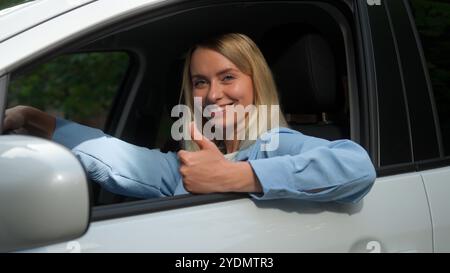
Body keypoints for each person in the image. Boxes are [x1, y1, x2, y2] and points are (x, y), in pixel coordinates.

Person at [2, 33, 376, 203]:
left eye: (228, 77)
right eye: (200, 82)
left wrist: (235, 177)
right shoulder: (189, 163)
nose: (213, 94)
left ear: (256, 83)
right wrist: (31, 119)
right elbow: (116, 158)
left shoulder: (277, 144)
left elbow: (356, 167)